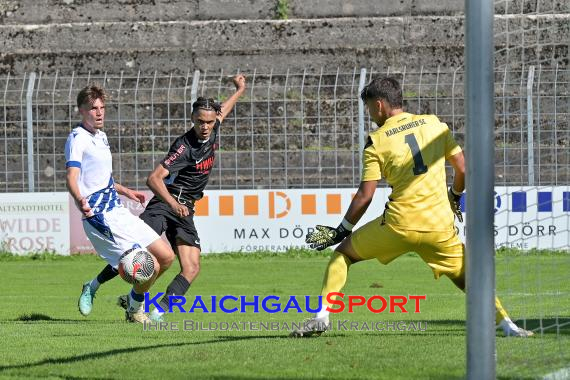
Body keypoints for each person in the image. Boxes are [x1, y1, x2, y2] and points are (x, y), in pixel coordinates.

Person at [290, 77, 533, 338]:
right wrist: (455, 194)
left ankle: (322, 316)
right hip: (439, 227)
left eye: (370, 107)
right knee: (467, 277)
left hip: (398, 226)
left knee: (344, 255)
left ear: (380, 105)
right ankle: (507, 325)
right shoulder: (434, 124)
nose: (371, 114)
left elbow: (365, 195)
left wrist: (342, 230)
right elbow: (463, 168)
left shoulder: (377, 140)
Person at [117, 75, 246, 322]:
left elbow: (224, 111)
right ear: (192, 119)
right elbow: (154, 179)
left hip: (185, 208)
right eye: (200, 122)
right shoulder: (184, 147)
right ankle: (103, 288)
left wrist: (239, 90)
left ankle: (158, 312)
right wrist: (173, 204)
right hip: (166, 204)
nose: (205, 127)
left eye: (209, 122)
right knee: (142, 256)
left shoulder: (213, 127)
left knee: (192, 267)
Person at [66, 84, 175, 323]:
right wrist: (79, 198)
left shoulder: (101, 136)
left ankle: (110, 293)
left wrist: (126, 191)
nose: (99, 112)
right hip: (99, 217)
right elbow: (72, 177)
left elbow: (102, 179)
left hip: (117, 210)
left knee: (166, 257)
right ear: (81, 110)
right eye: (93, 108)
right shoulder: (77, 138)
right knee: (148, 267)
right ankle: (134, 311)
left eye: (102, 107)